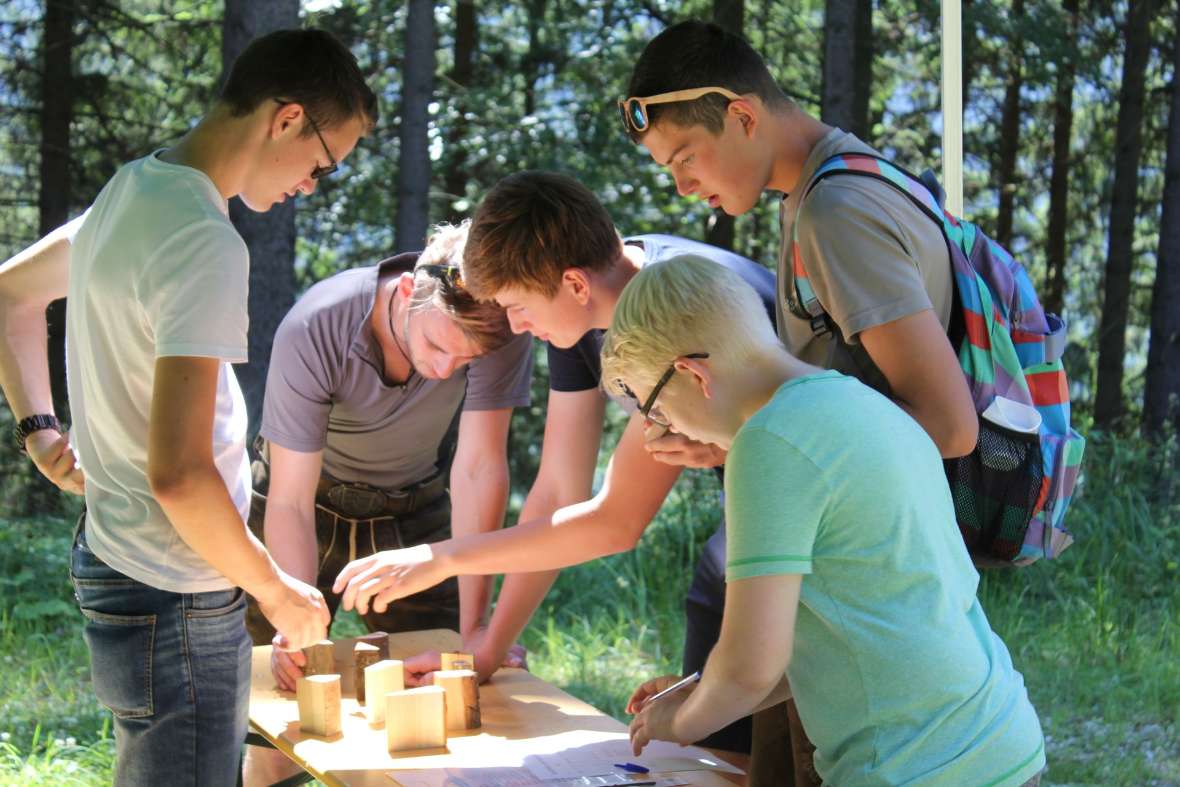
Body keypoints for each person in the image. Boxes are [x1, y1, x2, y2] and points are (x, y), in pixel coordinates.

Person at [0, 29, 375, 786]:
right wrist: (275, 591)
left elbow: (10, 292)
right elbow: (179, 474)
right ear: (287, 119)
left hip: (116, 558)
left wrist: (39, 430)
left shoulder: (134, 188)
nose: (312, 184)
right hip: (175, 591)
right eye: (323, 163)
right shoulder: (203, 239)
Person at [621, 20, 981, 782]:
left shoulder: (834, 211)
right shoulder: (820, 190)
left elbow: (948, 425)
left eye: (684, 158)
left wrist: (773, 451)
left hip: (870, 613)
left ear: (742, 115)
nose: (681, 186)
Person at [333, 170, 776, 755]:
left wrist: (440, 557)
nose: (514, 327)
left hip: (825, 509)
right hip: (758, 507)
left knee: (745, 715)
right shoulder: (583, 316)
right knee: (717, 721)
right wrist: (485, 650)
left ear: (573, 283)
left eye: (516, 307)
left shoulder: (676, 309)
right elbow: (558, 492)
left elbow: (616, 522)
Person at [603, 255, 1046, 787]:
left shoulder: (768, 443)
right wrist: (702, 696)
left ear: (692, 374)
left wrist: (677, 723)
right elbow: (833, 640)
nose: (666, 429)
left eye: (655, 411)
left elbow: (748, 668)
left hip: (914, 765)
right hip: (997, 738)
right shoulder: (859, 401)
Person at [242, 222, 533, 785]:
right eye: (438, 347)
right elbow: (290, 500)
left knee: (445, 700)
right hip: (307, 506)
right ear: (406, 292)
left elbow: (478, 469)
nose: (445, 371)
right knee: (282, 713)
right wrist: (292, 615)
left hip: (414, 515)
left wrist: (476, 629)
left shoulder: (502, 328)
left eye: (465, 361)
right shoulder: (318, 322)